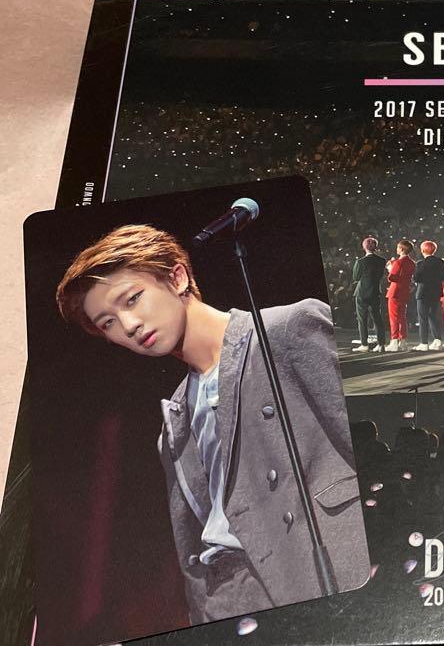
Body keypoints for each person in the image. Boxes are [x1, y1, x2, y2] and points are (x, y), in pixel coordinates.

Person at [54, 223, 369, 625]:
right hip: (227, 595)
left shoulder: (285, 331)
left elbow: (364, 448)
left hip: (314, 564)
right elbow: (192, 534)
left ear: (177, 277)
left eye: (132, 299)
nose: (128, 325)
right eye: (107, 323)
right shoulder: (174, 423)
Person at [350, 235, 387, 352]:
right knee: (377, 318)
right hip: (375, 291)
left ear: (364, 247)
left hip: (362, 292)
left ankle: (364, 344)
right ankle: (381, 344)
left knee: (362, 319)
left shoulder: (360, 261)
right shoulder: (382, 261)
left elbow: (356, 277)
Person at [413, 240, 444, 351]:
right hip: (436, 292)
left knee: (423, 318)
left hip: (423, 293)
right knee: (434, 316)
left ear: (423, 250)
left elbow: (416, 278)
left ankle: (424, 343)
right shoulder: (441, 262)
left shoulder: (421, 263)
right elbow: (443, 277)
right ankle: (438, 340)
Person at [385, 239, 416, 351]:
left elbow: (392, 277)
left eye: (398, 247)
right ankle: (402, 341)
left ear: (402, 249)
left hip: (395, 292)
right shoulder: (412, 263)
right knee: (402, 317)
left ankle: (394, 340)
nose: (396, 249)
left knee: (394, 317)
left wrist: (390, 268)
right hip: (404, 291)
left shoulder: (398, 262)